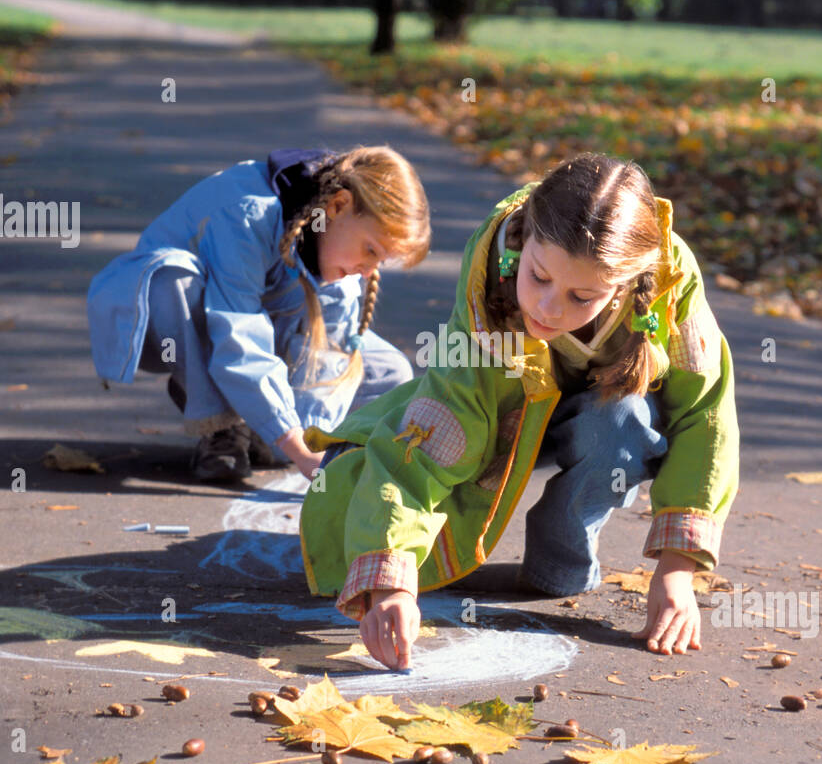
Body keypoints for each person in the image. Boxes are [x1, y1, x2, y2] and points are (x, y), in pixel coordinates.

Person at [297, 153, 739, 667]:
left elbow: (705, 416)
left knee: (623, 424)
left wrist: (676, 571)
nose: (550, 308)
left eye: (581, 295)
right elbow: (442, 419)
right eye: (539, 277)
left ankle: (558, 564)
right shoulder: (489, 280)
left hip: (599, 411)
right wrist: (390, 582)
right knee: (362, 495)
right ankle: (386, 516)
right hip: (503, 407)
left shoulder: (668, 280)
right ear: (523, 241)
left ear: (623, 285)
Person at [86, 145, 430, 480]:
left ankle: (258, 428)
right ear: (338, 205)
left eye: (380, 260)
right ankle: (220, 422)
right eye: (370, 250)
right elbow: (240, 336)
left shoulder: (337, 248)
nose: (369, 271)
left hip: (267, 329)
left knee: (389, 371)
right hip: (175, 323)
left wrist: (310, 444)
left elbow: (327, 359)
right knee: (174, 281)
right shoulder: (247, 215)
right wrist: (295, 445)